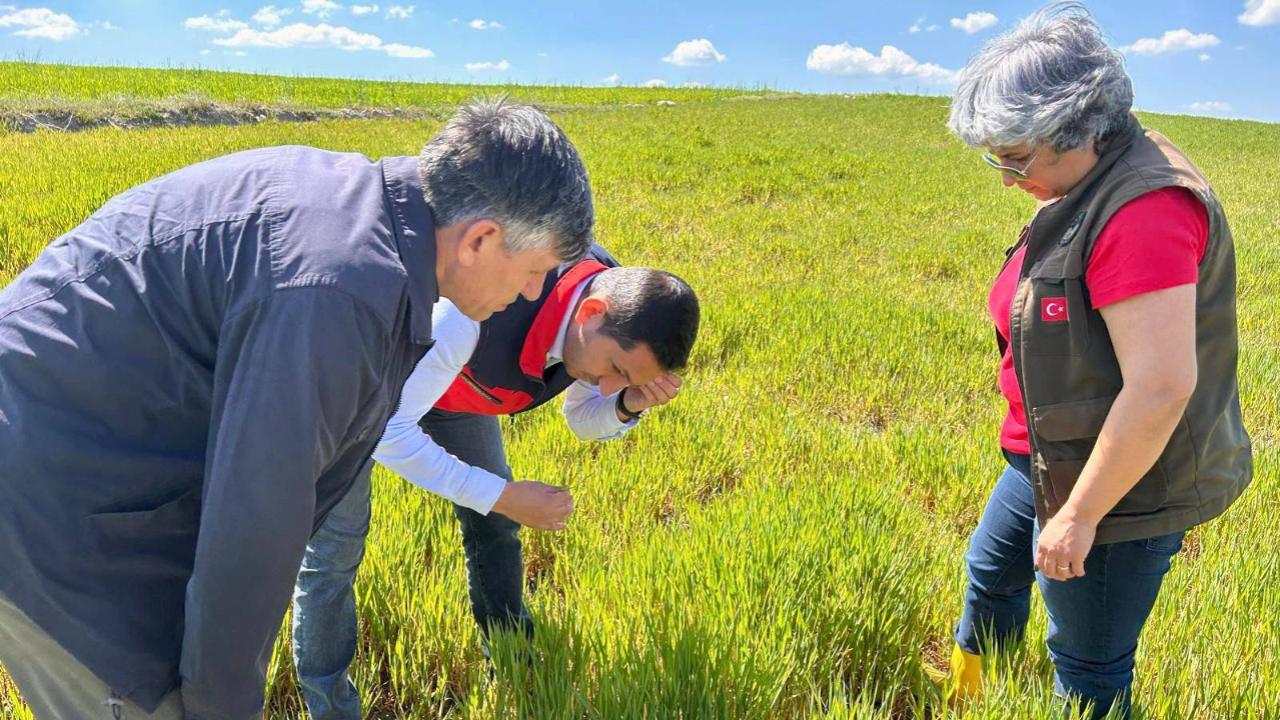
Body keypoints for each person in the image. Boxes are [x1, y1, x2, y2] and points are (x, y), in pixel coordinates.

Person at [0, 99, 595, 719]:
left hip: (80, 461)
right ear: (481, 239)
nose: (532, 293)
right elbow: (254, 523)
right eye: (535, 271)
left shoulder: (358, 216)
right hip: (51, 508)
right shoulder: (339, 291)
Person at [937, 3, 1253, 717]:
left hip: (1119, 486)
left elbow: (1163, 385)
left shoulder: (1144, 210)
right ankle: (971, 695)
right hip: (1049, 453)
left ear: (1080, 128)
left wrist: (1080, 516)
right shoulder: (1090, 177)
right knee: (990, 572)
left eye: (1015, 158)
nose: (1006, 178)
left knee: (1087, 662)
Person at [291, 244, 700, 719]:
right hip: (356, 385)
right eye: (617, 371)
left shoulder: (608, 312)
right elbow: (387, 431)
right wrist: (503, 495)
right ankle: (330, 707)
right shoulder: (476, 310)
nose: (608, 385)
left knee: (495, 524)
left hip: (453, 384)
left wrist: (629, 402)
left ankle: (511, 658)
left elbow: (582, 418)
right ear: (591, 313)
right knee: (335, 553)